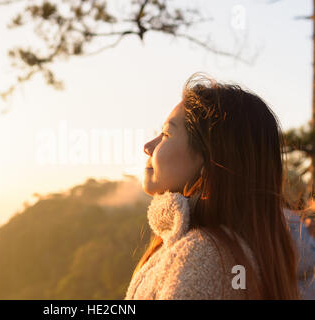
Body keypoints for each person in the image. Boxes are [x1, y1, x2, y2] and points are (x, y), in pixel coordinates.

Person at [125, 73, 300, 300]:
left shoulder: (204, 256)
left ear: (210, 158)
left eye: (166, 134)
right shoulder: (221, 250)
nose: (148, 146)